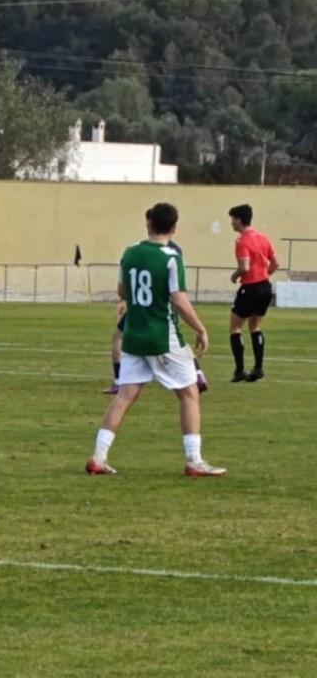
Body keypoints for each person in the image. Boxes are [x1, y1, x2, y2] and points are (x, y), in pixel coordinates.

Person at [86, 202, 225, 477]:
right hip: (163, 337)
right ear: (174, 227)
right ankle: (194, 460)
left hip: (134, 338)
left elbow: (122, 290)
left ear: (148, 223)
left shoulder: (129, 253)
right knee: (189, 393)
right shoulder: (171, 258)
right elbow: (180, 300)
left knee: (124, 396)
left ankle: (98, 457)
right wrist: (200, 327)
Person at [105, 238, 207, 394]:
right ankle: (198, 374)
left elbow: (129, 286)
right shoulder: (170, 251)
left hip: (149, 310)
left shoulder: (137, 251)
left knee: (119, 338)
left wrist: (124, 298)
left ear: (150, 223)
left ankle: (119, 380)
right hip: (153, 309)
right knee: (178, 344)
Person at [227, 203, 279, 383]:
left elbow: (245, 266)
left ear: (239, 220)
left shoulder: (242, 241)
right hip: (265, 287)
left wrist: (234, 276)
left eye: (232, 220)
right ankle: (258, 368)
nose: (231, 223)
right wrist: (264, 276)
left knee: (235, 327)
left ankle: (240, 370)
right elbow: (275, 263)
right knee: (255, 326)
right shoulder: (263, 238)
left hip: (250, 287)